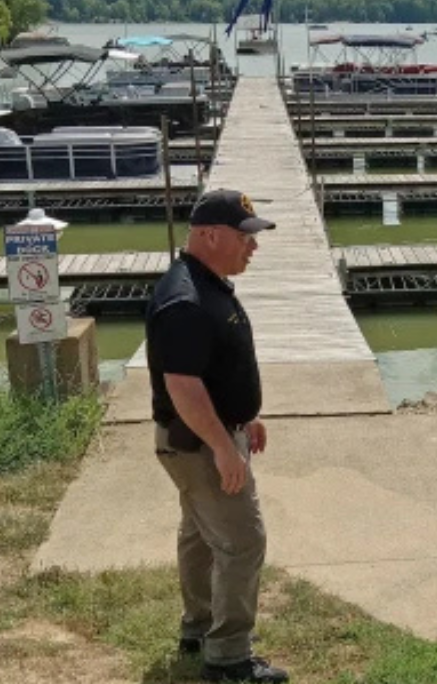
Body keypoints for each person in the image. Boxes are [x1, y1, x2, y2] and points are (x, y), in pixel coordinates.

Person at [145, 189, 289, 683]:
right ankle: (228, 659)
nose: (254, 247)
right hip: (199, 444)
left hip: (206, 436)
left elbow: (212, 370)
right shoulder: (185, 299)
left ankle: (198, 626)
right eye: (245, 237)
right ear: (209, 235)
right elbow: (182, 386)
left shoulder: (208, 284)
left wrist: (243, 417)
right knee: (242, 541)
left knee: (200, 535)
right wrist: (225, 448)